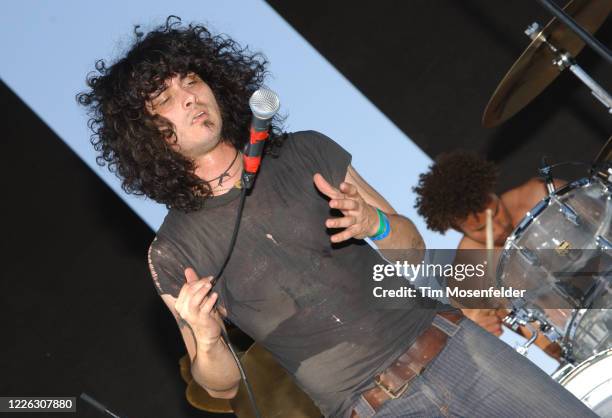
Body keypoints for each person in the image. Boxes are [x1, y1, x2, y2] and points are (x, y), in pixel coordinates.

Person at [78, 17, 595, 418]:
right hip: (369, 407)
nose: (189, 97)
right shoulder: (173, 251)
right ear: (147, 134)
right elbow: (221, 385)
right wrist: (207, 339)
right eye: (166, 98)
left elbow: (412, 248)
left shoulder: (305, 153)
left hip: (455, 347)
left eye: (191, 80)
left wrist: (377, 226)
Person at [414, 151, 565, 356]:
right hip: (572, 347)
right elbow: (465, 341)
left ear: (492, 191)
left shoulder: (540, 194)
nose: (498, 227)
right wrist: (478, 329)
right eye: (479, 229)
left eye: (495, 211)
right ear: (458, 230)